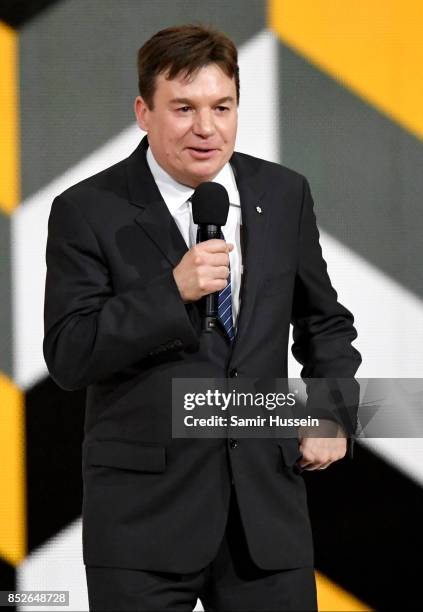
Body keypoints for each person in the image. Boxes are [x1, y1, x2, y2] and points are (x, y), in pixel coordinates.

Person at [43, 24, 361, 612]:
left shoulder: (283, 192)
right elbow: (69, 353)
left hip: (265, 514)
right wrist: (172, 291)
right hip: (143, 524)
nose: (206, 128)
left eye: (222, 106)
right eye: (183, 108)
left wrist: (331, 410)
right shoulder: (88, 210)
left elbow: (326, 323)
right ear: (144, 111)